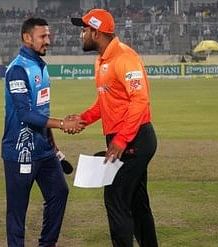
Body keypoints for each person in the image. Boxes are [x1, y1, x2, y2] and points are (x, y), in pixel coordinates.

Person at [70, 8, 158, 247]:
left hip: (134, 139)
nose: (81, 34)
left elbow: (140, 100)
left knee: (116, 198)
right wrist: (83, 119)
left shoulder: (124, 57)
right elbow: (106, 102)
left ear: (96, 32)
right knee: (137, 201)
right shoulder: (102, 60)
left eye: (85, 29)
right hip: (124, 139)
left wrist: (120, 141)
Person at [1, 17, 85, 247]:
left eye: (48, 35)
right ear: (27, 38)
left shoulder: (41, 66)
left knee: (59, 193)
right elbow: (25, 114)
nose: (48, 40)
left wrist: (54, 144)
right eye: (43, 36)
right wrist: (62, 124)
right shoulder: (17, 69)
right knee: (17, 211)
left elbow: (41, 110)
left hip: (44, 149)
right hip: (20, 152)